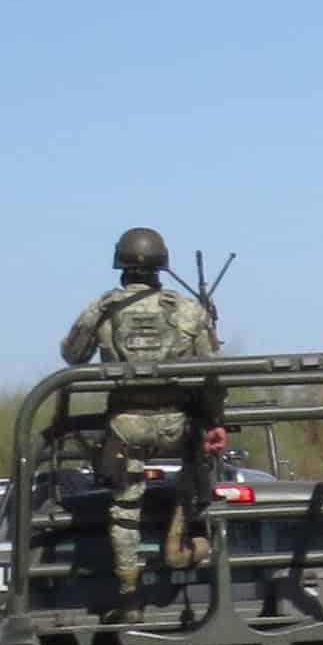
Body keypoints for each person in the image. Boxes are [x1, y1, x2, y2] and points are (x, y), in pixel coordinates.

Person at [58, 227, 223, 604]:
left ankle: (129, 593)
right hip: (177, 425)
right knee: (197, 478)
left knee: (125, 508)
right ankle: (185, 540)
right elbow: (213, 373)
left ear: (121, 267)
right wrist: (215, 422)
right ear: (161, 267)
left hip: (126, 426)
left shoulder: (103, 308)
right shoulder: (186, 309)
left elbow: (72, 355)